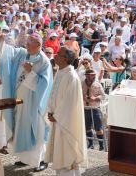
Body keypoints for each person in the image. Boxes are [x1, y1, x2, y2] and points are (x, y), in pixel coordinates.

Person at [0, 33, 53, 172]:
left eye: (30, 43)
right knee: (21, 129)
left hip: (35, 104)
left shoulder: (44, 62)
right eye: (27, 43)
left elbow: (44, 85)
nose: (27, 45)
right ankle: (25, 159)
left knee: (38, 131)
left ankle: (42, 160)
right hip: (20, 102)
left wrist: (31, 72)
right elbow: (10, 52)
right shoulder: (24, 54)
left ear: (39, 45)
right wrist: (2, 42)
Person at [46, 47, 87, 175]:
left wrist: (56, 115)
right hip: (57, 119)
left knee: (67, 155)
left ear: (66, 59)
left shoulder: (71, 76)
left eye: (59, 54)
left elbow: (70, 103)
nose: (55, 56)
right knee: (60, 153)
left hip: (66, 122)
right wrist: (50, 110)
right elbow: (55, 94)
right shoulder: (61, 71)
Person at [81, 68, 105, 151]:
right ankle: (90, 144)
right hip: (86, 108)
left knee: (98, 127)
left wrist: (95, 98)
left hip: (95, 108)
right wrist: (83, 97)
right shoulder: (82, 84)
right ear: (87, 76)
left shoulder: (98, 84)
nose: (93, 76)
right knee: (87, 126)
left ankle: (101, 145)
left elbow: (103, 96)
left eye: (94, 75)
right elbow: (78, 94)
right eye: (91, 75)